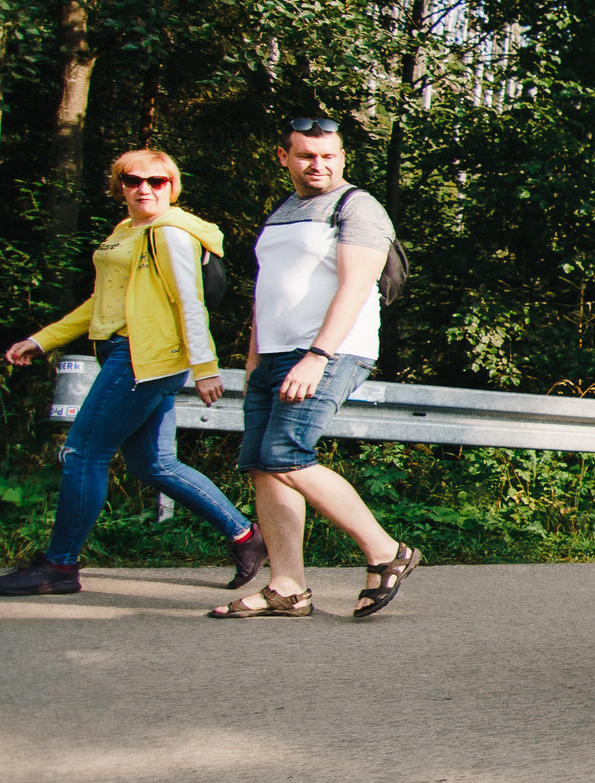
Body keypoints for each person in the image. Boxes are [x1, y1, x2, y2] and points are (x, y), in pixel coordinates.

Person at [1, 150, 264, 597]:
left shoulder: (171, 234)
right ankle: (246, 536)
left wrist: (205, 368)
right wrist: (43, 339)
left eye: (157, 181)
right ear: (119, 185)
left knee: (83, 454)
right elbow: (101, 302)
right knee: (154, 464)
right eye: (133, 179)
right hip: (128, 354)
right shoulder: (126, 230)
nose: (145, 187)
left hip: (143, 359)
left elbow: (190, 301)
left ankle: (59, 566)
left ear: (172, 186)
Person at [210, 117, 419, 619]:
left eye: (329, 155)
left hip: (330, 350)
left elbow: (354, 287)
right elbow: (269, 289)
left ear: (342, 156)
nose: (318, 165)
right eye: (306, 156)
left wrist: (317, 355)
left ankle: (386, 550)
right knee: (263, 464)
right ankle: (288, 587)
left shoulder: (358, 207)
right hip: (276, 353)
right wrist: (255, 355)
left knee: (286, 453)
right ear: (285, 158)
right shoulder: (281, 211)